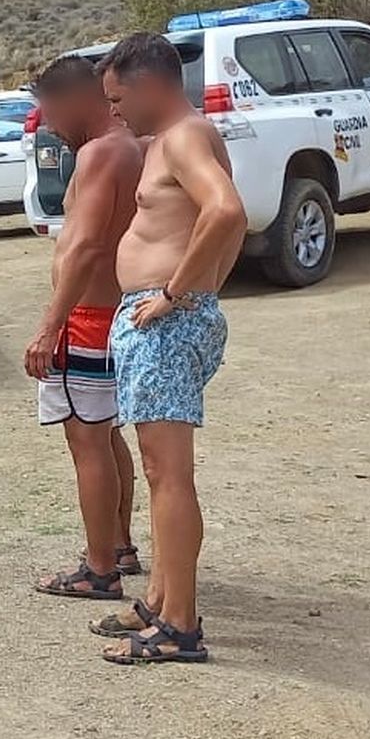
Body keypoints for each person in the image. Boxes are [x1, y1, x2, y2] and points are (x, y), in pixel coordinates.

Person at [92, 34, 246, 664]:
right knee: (161, 475)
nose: (116, 111)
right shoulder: (183, 138)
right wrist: (201, 294)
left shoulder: (182, 135)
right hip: (167, 318)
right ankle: (160, 599)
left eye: (118, 97)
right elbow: (220, 222)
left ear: (150, 82)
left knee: (168, 475)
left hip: (165, 321)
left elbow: (228, 212)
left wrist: (178, 294)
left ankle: (179, 624)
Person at [25, 56, 145, 601]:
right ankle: (117, 544)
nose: (47, 123)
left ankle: (100, 568)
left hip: (88, 319)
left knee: (86, 440)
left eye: (49, 108)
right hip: (111, 312)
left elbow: (89, 243)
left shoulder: (99, 152)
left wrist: (51, 325)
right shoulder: (130, 145)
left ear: (75, 98)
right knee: (107, 432)